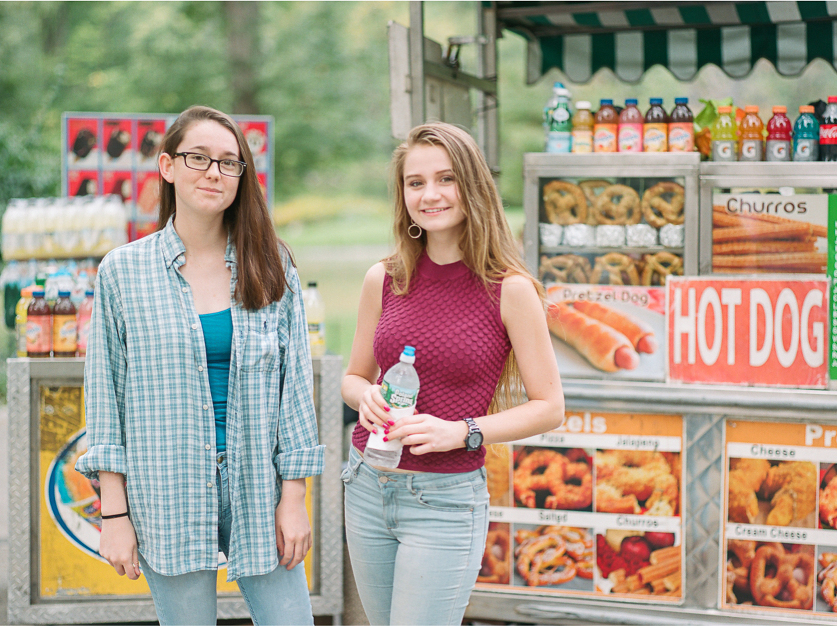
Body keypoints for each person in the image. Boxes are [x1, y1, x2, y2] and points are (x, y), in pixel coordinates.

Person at [75, 105, 323, 626]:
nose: (214, 172)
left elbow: (295, 390)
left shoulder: (271, 265)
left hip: (258, 484)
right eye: (198, 158)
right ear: (167, 166)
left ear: (241, 177)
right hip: (165, 486)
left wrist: (294, 497)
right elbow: (106, 402)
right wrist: (115, 515)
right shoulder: (124, 271)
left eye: (228, 163)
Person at [341, 122, 564, 625]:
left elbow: (550, 407)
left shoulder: (510, 289)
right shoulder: (385, 277)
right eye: (415, 182)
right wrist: (364, 397)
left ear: (473, 187)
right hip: (367, 484)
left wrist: (460, 432)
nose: (430, 194)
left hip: (443, 502)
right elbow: (354, 376)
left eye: (445, 179)